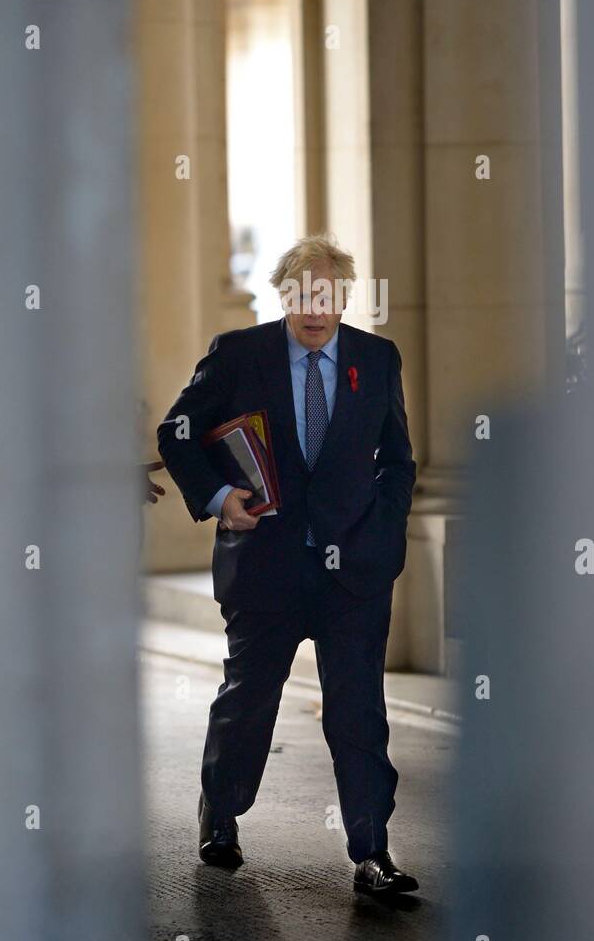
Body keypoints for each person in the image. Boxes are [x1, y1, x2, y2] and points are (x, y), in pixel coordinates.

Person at [157, 235, 419, 895]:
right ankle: (221, 815)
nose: (314, 309)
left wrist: (384, 538)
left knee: (358, 712)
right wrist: (219, 499)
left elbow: (397, 460)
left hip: (352, 574)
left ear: (344, 299)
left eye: (327, 296)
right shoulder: (237, 354)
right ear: (284, 296)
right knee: (247, 702)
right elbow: (177, 432)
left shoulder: (375, 359)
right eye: (302, 294)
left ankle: (372, 853)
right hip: (265, 567)